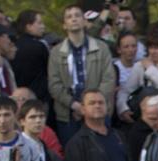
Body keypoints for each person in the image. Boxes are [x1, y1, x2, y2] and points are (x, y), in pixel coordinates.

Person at [47, 5, 115, 143]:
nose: (73, 19)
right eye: (69, 17)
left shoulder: (101, 48)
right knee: (74, 157)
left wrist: (92, 105)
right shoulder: (56, 52)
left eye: (77, 15)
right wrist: (76, 106)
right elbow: (54, 85)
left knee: (102, 154)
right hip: (69, 113)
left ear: (84, 21)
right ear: (64, 25)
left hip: (98, 111)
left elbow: (108, 79)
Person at [11, 10, 49, 104]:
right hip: (40, 97)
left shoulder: (13, 46)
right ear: (28, 27)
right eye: (39, 23)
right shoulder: (39, 46)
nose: (43, 26)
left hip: (18, 97)